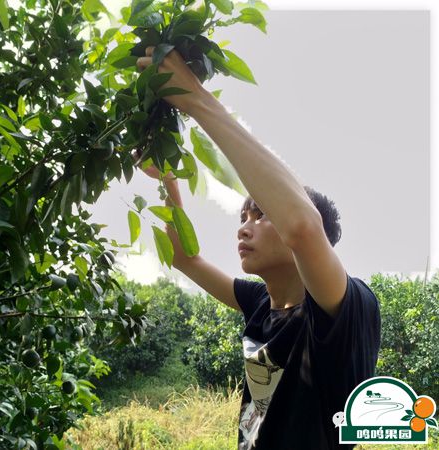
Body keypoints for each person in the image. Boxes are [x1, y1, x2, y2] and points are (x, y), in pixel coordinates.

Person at [134, 46, 381, 449]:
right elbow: (183, 257)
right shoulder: (260, 302)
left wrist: (195, 98)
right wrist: (168, 182)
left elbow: (302, 226)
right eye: (242, 218)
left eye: (260, 215)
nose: (243, 229)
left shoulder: (347, 309)